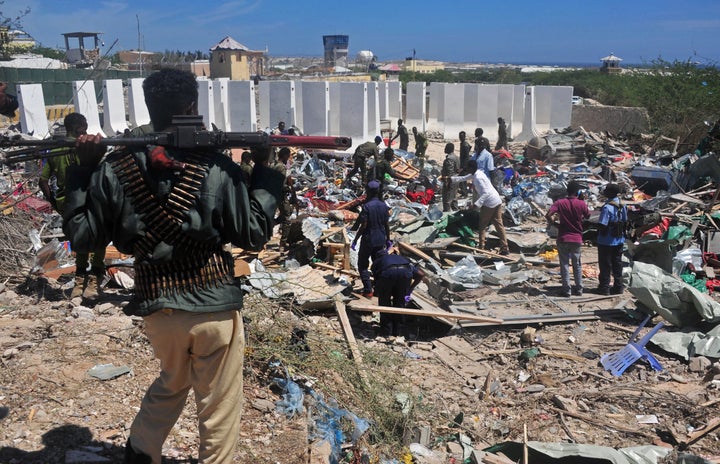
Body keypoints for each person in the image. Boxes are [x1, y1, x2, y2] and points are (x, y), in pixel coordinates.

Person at [63, 68, 284, 464]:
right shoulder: (215, 166)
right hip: (213, 304)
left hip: (158, 308)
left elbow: (83, 238)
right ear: (192, 106)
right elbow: (253, 234)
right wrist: (265, 171)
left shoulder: (116, 167)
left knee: (172, 381)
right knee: (218, 405)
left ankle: (143, 450)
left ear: (149, 106)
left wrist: (83, 170)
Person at [39, 113, 106, 301]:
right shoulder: (85, 146)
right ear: (80, 128)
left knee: (78, 238)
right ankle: (93, 276)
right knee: (99, 234)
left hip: (66, 202)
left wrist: (54, 202)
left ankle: (79, 279)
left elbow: (43, 181)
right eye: (84, 127)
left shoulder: (55, 149)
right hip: (87, 197)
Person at [447, 160, 509, 255]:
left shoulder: (478, 178)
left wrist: (476, 204)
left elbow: (485, 193)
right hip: (497, 200)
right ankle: (505, 247)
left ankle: (481, 247)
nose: (466, 169)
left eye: (467, 167)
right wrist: (450, 179)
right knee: (498, 224)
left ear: (471, 168)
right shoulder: (477, 173)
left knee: (482, 225)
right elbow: (463, 178)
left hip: (490, 203)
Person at [545, 181, 590, 297]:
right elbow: (588, 216)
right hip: (577, 238)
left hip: (563, 237)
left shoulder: (560, 203)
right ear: (577, 192)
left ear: (567, 191)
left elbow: (548, 214)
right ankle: (579, 289)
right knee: (577, 264)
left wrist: (555, 224)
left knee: (564, 264)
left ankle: (566, 290)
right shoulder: (581, 204)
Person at [371, 249, 425, 335]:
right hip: (405, 274)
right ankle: (398, 332)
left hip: (388, 274)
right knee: (400, 303)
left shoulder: (378, 261)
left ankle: (386, 331)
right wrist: (409, 290)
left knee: (385, 303)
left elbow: (376, 280)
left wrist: (380, 291)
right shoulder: (402, 259)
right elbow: (421, 274)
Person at [350, 181, 390, 297]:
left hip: (369, 239)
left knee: (362, 264)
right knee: (378, 264)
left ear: (368, 192)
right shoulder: (384, 206)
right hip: (380, 239)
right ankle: (378, 288)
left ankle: (368, 290)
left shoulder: (367, 207)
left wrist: (356, 239)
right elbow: (387, 225)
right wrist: (388, 239)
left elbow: (364, 226)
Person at [596, 183, 628, 295]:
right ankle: (618, 287)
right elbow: (625, 221)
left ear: (610, 193)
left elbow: (603, 224)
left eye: (606, 191)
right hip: (619, 240)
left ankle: (604, 287)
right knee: (617, 264)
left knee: (605, 264)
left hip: (606, 241)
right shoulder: (622, 205)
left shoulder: (607, 207)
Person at [441, 142, 460, 212]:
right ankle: (457, 215)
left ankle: (446, 216)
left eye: (446, 147)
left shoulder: (449, 159)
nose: (444, 149)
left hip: (450, 182)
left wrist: (446, 182)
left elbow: (450, 172)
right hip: (456, 181)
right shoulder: (456, 157)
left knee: (447, 201)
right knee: (454, 200)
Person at [458, 131, 472, 196]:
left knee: (463, 179)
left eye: (462, 136)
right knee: (462, 179)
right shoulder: (463, 144)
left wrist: (463, 167)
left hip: (464, 164)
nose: (461, 138)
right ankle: (463, 191)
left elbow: (466, 157)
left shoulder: (465, 145)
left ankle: (464, 192)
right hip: (462, 163)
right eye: (460, 136)